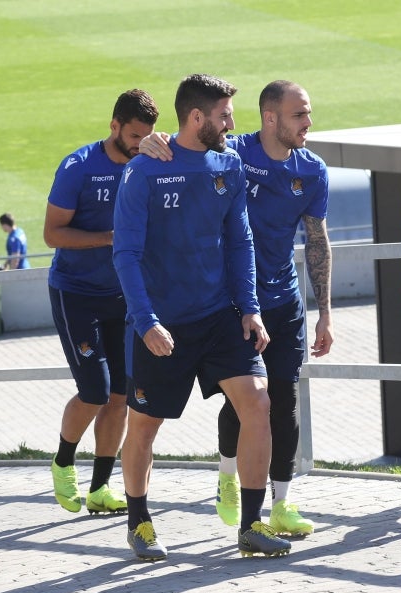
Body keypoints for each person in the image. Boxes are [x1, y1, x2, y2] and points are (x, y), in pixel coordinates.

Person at [139, 80, 333, 537]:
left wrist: (325, 311)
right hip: (235, 305)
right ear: (271, 118)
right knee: (244, 401)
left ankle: (281, 503)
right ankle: (228, 473)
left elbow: (318, 242)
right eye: (299, 114)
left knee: (283, 401)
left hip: (284, 303)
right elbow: (190, 139)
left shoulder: (313, 169)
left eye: (308, 113)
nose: (309, 122)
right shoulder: (234, 153)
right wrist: (155, 140)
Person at [114, 73, 291, 561]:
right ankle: (139, 523)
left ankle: (251, 524)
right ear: (197, 118)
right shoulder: (144, 170)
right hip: (161, 323)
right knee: (145, 427)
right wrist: (145, 321)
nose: (233, 123)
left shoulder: (229, 165)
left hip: (219, 317)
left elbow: (241, 241)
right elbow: (126, 254)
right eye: (224, 116)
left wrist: (251, 308)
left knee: (257, 402)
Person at [44, 89, 159, 515]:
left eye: (145, 135)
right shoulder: (78, 167)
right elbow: (52, 234)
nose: (139, 143)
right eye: (132, 135)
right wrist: (110, 240)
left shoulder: (150, 160)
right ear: (114, 126)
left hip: (124, 297)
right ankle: (62, 462)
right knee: (93, 391)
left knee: (120, 396)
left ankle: (100, 488)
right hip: (76, 293)